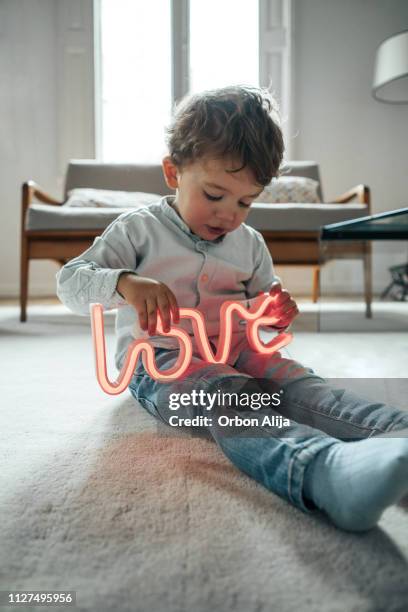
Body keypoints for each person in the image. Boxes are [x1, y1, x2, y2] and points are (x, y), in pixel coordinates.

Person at [56, 85, 408, 533]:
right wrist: (124, 282)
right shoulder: (137, 231)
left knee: (308, 389)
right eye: (215, 194)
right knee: (233, 400)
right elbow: (69, 282)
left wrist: (276, 309)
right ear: (173, 172)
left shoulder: (250, 243)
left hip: (242, 352)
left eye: (245, 201)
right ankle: (321, 471)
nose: (229, 214)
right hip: (162, 364)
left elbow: (264, 303)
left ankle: (394, 431)